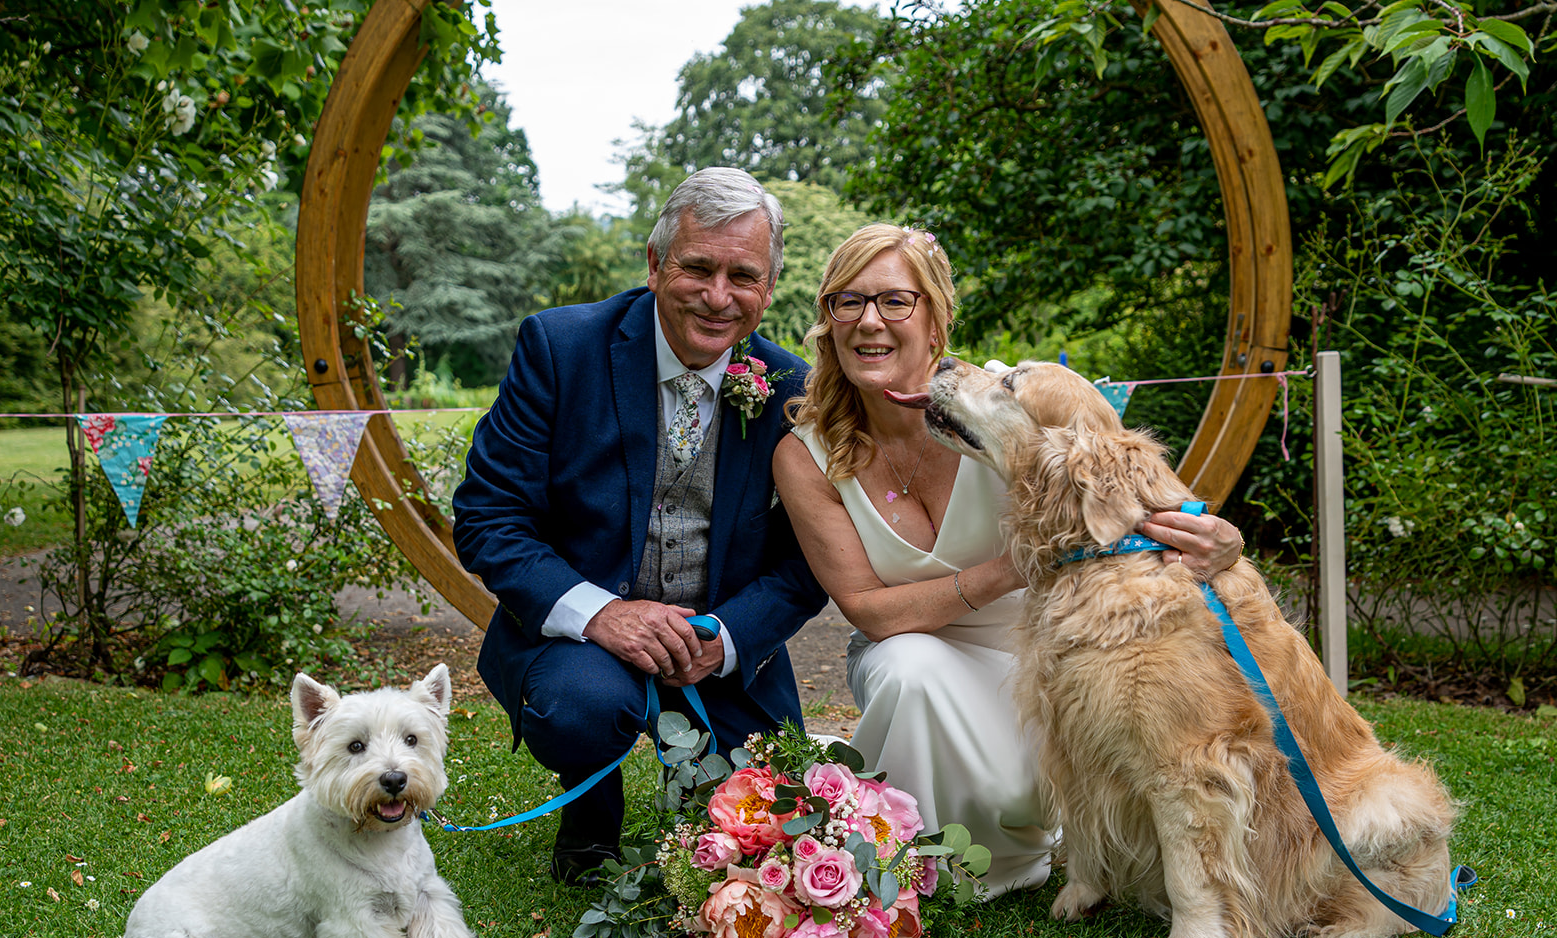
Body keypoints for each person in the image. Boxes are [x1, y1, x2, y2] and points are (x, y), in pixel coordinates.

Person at [772, 223, 1243, 894]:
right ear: (828, 321)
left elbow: (1125, 491)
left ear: (936, 319)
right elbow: (870, 611)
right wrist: (1017, 564)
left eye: (894, 301)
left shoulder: (1011, 405)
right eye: (846, 301)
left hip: (1048, 667)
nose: (868, 321)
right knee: (909, 666)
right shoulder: (806, 453)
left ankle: (1032, 843)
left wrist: (1220, 539)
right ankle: (910, 866)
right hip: (908, 656)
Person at [453, 168, 827, 886]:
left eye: (743, 276)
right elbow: (489, 516)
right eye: (698, 267)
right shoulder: (560, 349)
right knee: (585, 707)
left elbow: (808, 561)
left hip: (715, 639)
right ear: (655, 265)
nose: (719, 296)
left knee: (774, 815)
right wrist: (604, 615)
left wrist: (723, 640)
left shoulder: (791, 390)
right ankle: (591, 814)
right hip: (581, 647)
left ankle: (699, 801)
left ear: (769, 287)